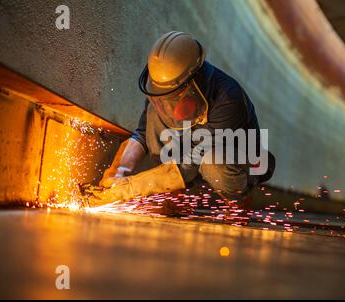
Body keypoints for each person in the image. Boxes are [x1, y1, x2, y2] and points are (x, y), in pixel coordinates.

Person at [85, 31, 275, 207]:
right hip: (192, 152)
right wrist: (117, 173)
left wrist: (129, 188)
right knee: (154, 114)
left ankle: (239, 199)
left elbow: (193, 161)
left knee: (214, 161)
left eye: (175, 97)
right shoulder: (162, 90)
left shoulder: (228, 97)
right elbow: (142, 136)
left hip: (237, 159)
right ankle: (177, 194)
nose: (167, 106)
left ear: (194, 81)